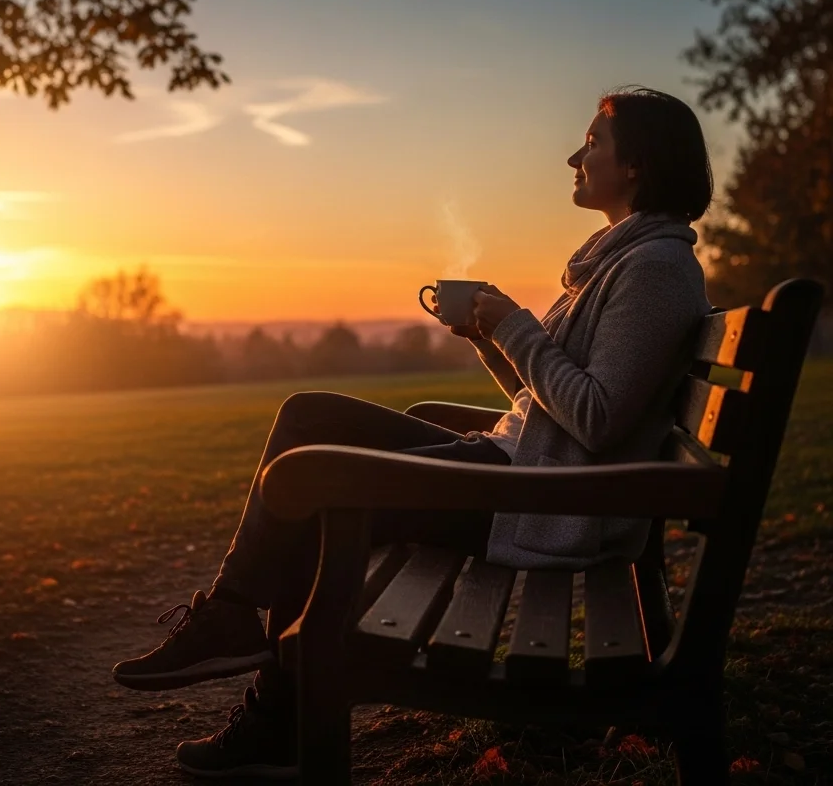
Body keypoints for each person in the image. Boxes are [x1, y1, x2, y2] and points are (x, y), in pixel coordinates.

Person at [111, 85, 714, 779]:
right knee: (311, 416)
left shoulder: (656, 269)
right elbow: (550, 409)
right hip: (519, 473)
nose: (574, 158)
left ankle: (268, 710)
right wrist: (490, 339)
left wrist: (516, 326)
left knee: (316, 489)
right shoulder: (622, 259)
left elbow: (598, 419)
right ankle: (234, 621)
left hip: (539, 502)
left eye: (592, 143)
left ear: (636, 164)